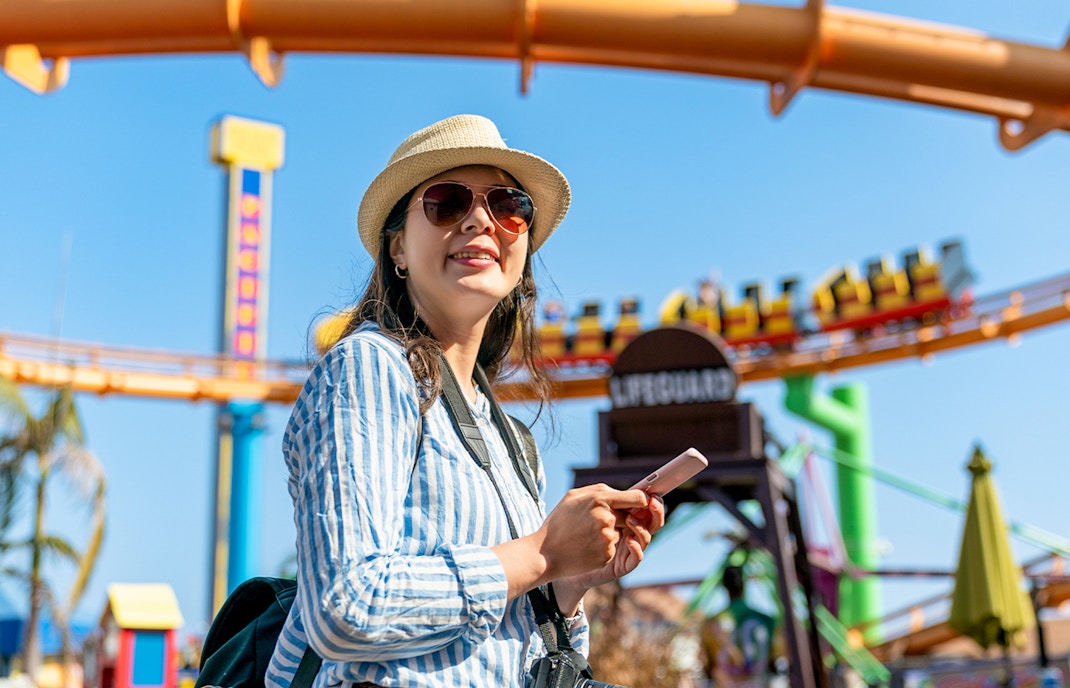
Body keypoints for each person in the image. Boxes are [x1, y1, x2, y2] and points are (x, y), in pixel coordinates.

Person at [266, 114, 666, 688]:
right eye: (448, 202)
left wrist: (569, 583)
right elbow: (344, 606)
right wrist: (542, 555)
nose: (481, 219)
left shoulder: (509, 437)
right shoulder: (370, 367)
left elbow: (507, 647)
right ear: (397, 247)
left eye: (508, 205)